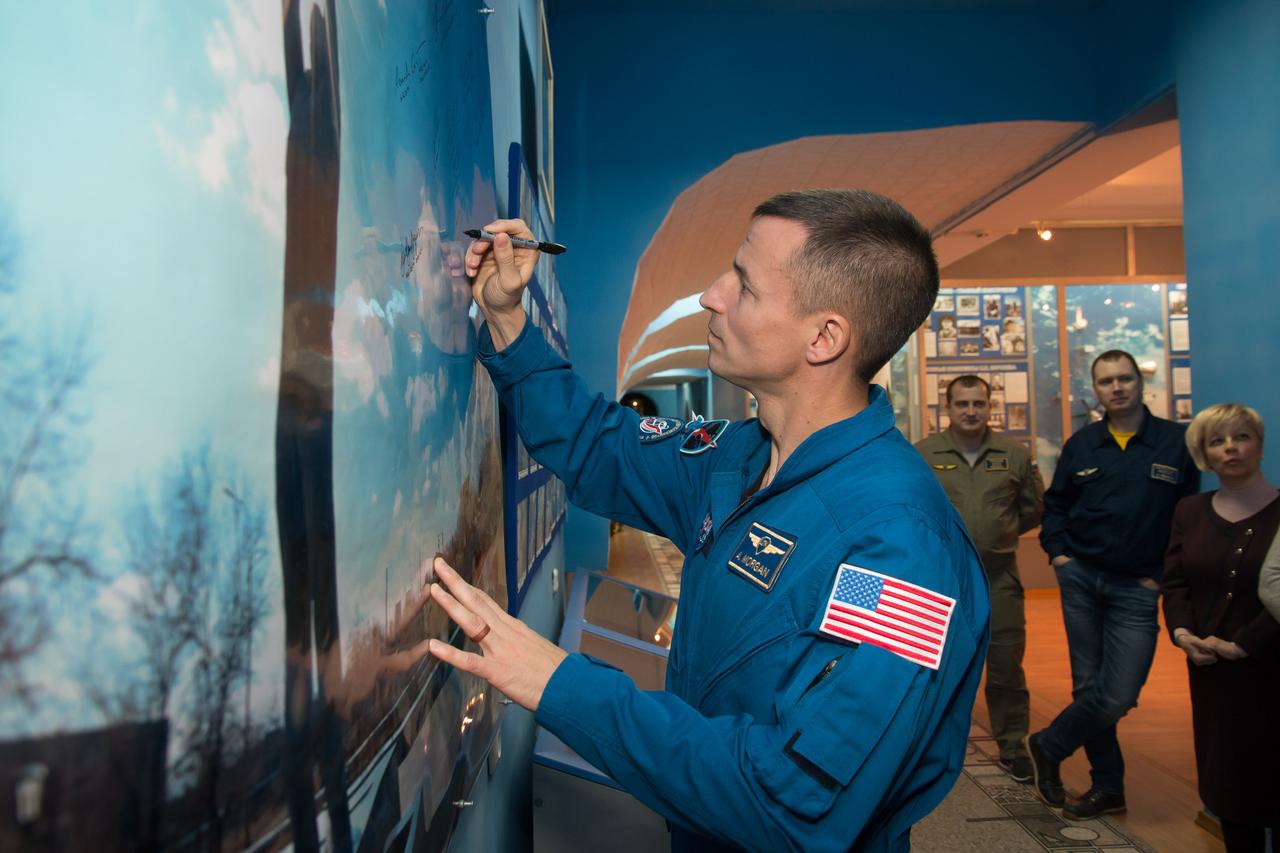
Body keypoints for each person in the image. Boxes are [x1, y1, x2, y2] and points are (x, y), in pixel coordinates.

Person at [426, 190, 990, 852]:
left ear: (825, 336)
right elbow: (595, 445)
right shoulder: (733, 459)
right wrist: (507, 321)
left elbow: (794, 804)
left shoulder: (896, 550)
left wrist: (560, 685)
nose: (711, 296)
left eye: (744, 285)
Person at [1027, 350, 1200, 820]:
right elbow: (1056, 505)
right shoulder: (1082, 445)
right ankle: (1108, 787)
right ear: (1096, 389)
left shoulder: (1175, 443)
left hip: (1136, 587)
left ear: (1140, 383)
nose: (1117, 387)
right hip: (1081, 578)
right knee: (1089, 687)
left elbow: (1189, 518)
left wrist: (1160, 577)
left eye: (1125, 378)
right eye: (1107, 381)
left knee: (1120, 692)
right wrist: (1059, 554)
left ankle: (1049, 743)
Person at [1161, 403, 1280, 852]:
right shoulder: (1190, 511)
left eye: (1241, 437)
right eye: (1218, 440)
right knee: (1230, 786)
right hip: (1212, 673)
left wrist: (1245, 645)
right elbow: (1175, 583)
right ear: (1204, 454)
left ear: (1260, 444)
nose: (1231, 448)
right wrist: (1184, 635)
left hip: (1270, 668)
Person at [915, 375, 1043, 782]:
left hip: (998, 576)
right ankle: (929, 745)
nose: (971, 411)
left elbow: (1033, 510)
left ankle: (1012, 743)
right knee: (938, 664)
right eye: (962, 404)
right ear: (947, 408)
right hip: (945, 579)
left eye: (978, 403)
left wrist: (997, 534)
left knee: (1006, 665)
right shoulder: (923, 454)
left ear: (990, 406)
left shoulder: (1014, 454)